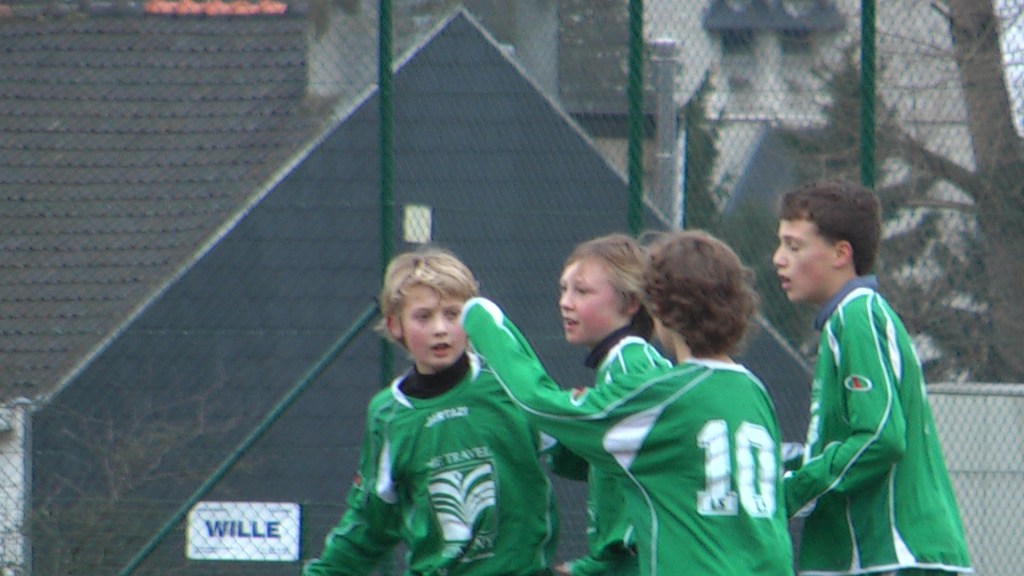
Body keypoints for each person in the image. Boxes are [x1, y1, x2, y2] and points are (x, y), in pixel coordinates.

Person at [461, 230, 793, 576]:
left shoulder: (655, 385)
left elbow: (538, 402)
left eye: (582, 290)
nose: (566, 301)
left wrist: (480, 317)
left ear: (656, 306)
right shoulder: (753, 389)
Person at [303, 247, 559, 576]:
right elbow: (370, 522)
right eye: (424, 316)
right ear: (395, 326)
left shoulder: (508, 383)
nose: (440, 328)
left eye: (452, 314)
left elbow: (584, 453)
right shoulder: (389, 415)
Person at [772, 180, 972, 575]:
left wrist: (790, 491)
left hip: (894, 557)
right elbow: (844, 442)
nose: (778, 259)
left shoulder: (858, 316)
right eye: (780, 244)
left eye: (794, 246)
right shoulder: (844, 322)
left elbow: (881, 435)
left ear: (840, 253)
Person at [551, 234, 672, 576]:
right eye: (563, 289)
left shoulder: (630, 365)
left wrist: (594, 568)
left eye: (582, 291)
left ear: (631, 302)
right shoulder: (618, 366)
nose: (565, 302)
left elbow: (642, 490)